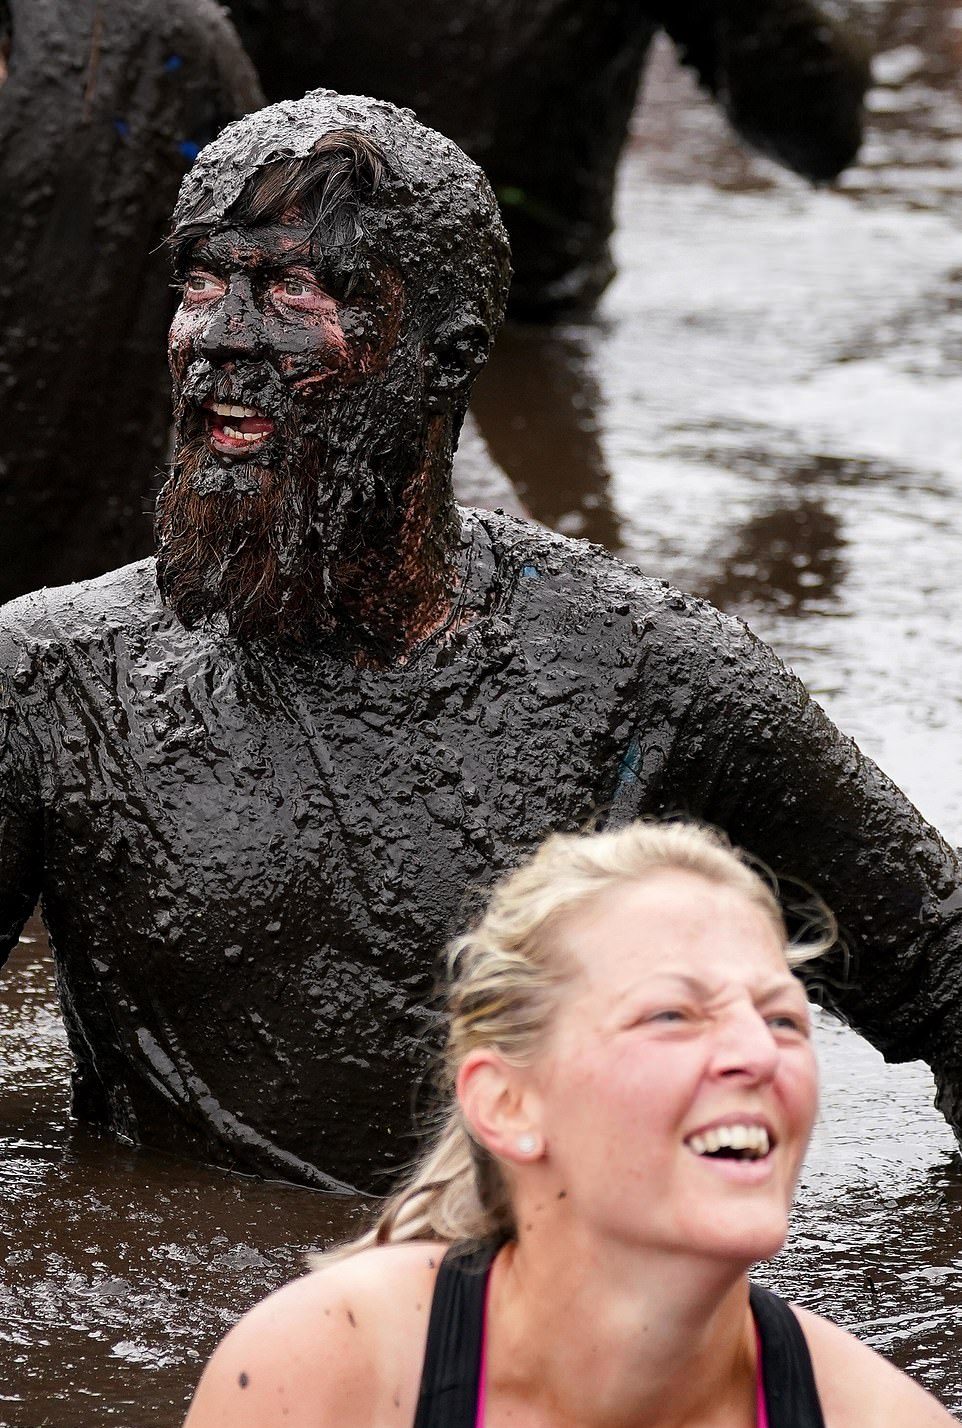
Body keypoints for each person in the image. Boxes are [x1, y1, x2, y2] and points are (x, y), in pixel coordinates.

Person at [3, 90, 962, 1196]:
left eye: (292, 288)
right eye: (202, 283)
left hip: (530, 1306)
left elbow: (939, 970)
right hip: (185, 1347)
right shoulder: (48, 680)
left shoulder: (644, 672)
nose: (219, 337)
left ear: (444, 353)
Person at [182, 821, 955, 1427]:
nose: (758, 1052)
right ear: (507, 1103)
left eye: (784, 1018)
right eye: (672, 1014)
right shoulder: (328, 1373)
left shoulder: (883, 1418)